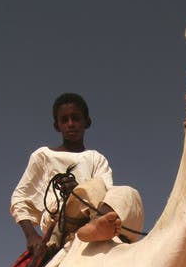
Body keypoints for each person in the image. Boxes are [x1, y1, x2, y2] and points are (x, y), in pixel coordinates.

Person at [10, 92, 122, 249]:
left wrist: (80, 191)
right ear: (57, 126)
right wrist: (31, 236)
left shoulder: (96, 158)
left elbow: (107, 193)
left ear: (86, 122)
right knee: (93, 187)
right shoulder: (43, 156)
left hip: (96, 212)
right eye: (65, 120)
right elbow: (20, 198)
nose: (71, 124)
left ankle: (97, 226)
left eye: (76, 118)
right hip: (61, 220)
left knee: (127, 193)